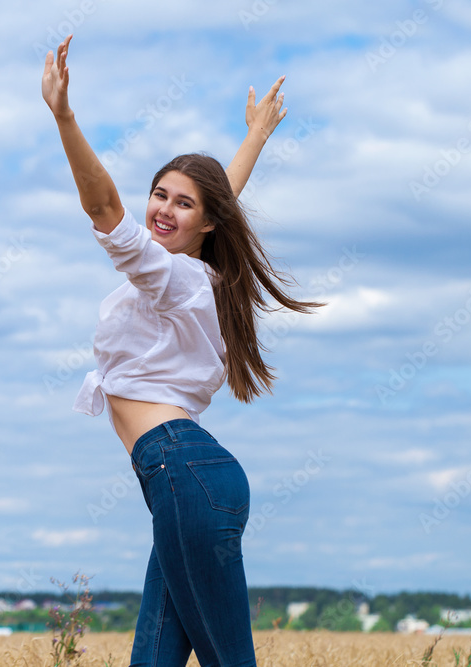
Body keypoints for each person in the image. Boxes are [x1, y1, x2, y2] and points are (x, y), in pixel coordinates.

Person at [41, 34, 321, 667]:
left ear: (206, 222)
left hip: (183, 474)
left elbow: (104, 207)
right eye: (160, 194)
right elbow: (220, 201)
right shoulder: (197, 274)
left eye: (182, 203)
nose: (164, 210)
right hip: (182, 481)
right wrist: (255, 138)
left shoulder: (173, 278)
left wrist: (64, 117)